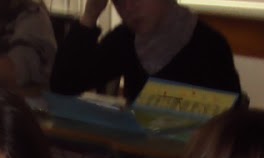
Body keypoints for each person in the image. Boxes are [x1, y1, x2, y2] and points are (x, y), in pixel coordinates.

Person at [50, 0, 240, 105]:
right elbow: (64, 85)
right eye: (119, 2)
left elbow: (230, 123)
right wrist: (89, 17)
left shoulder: (209, 45)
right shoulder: (125, 39)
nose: (129, 8)